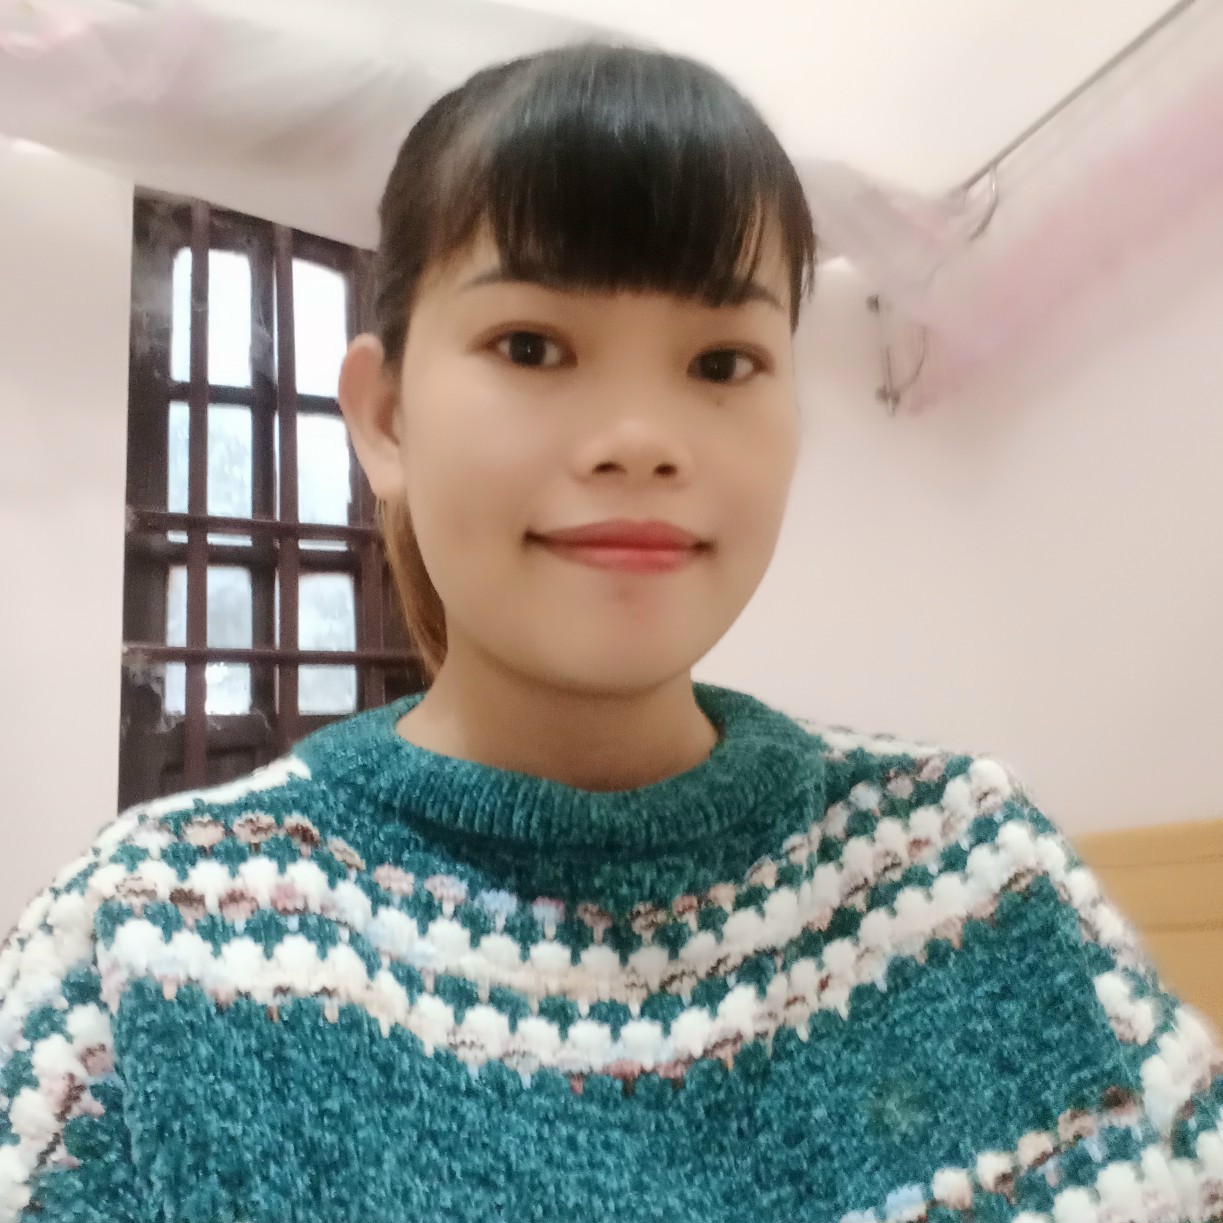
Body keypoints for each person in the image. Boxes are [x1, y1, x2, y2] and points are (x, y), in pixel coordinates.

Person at [1, 41, 1220, 1223]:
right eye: (532, 345)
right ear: (384, 418)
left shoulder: (973, 867)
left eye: (721, 361)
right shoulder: (154, 941)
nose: (640, 437)